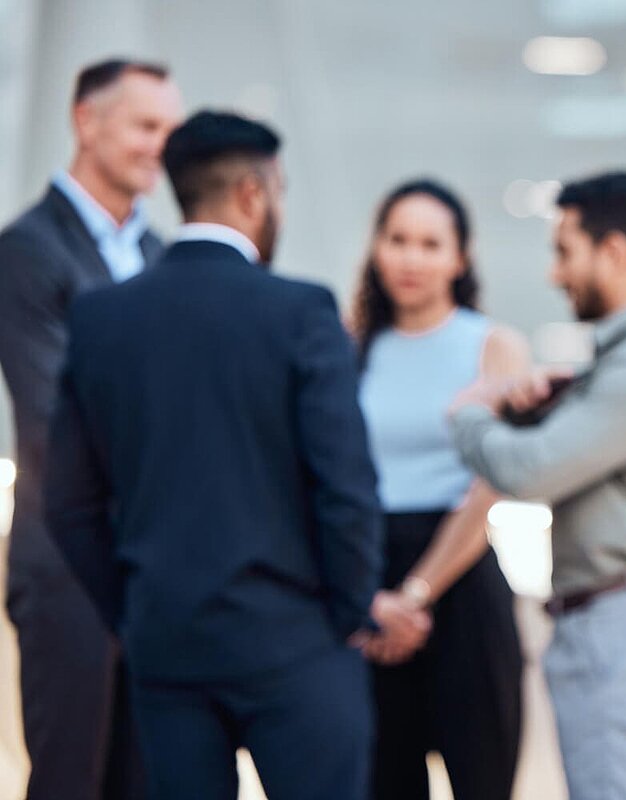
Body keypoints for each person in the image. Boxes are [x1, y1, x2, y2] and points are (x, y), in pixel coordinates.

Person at [43, 110, 403, 800]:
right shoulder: (301, 312)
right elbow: (347, 487)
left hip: (166, 642)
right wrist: (344, 614)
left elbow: (67, 502)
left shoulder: (101, 318)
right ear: (253, 193)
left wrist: (134, 609)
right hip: (297, 641)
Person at [448, 171, 626, 800]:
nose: (554, 274)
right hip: (604, 622)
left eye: (565, 251)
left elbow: (529, 470)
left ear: (614, 251)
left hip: (617, 625)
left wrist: (470, 413)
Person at [0, 57, 182, 800]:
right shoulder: (26, 250)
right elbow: (55, 422)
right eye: (145, 125)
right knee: (71, 780)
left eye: (170, 131)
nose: (158, 147)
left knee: (149, 781)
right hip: (68, 565)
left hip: (152, 571)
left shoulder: (163, 258)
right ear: (87, 121)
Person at [350, 179, 527, 800]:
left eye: (430, 243)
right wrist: (376, 600)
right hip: (370, 593)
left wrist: (416, 594)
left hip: (461, 582)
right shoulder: (349, 348)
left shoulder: (493, 345)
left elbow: (491, 487)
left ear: (460, 256)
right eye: (398, 240)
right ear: (376, 249)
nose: (411, 257)